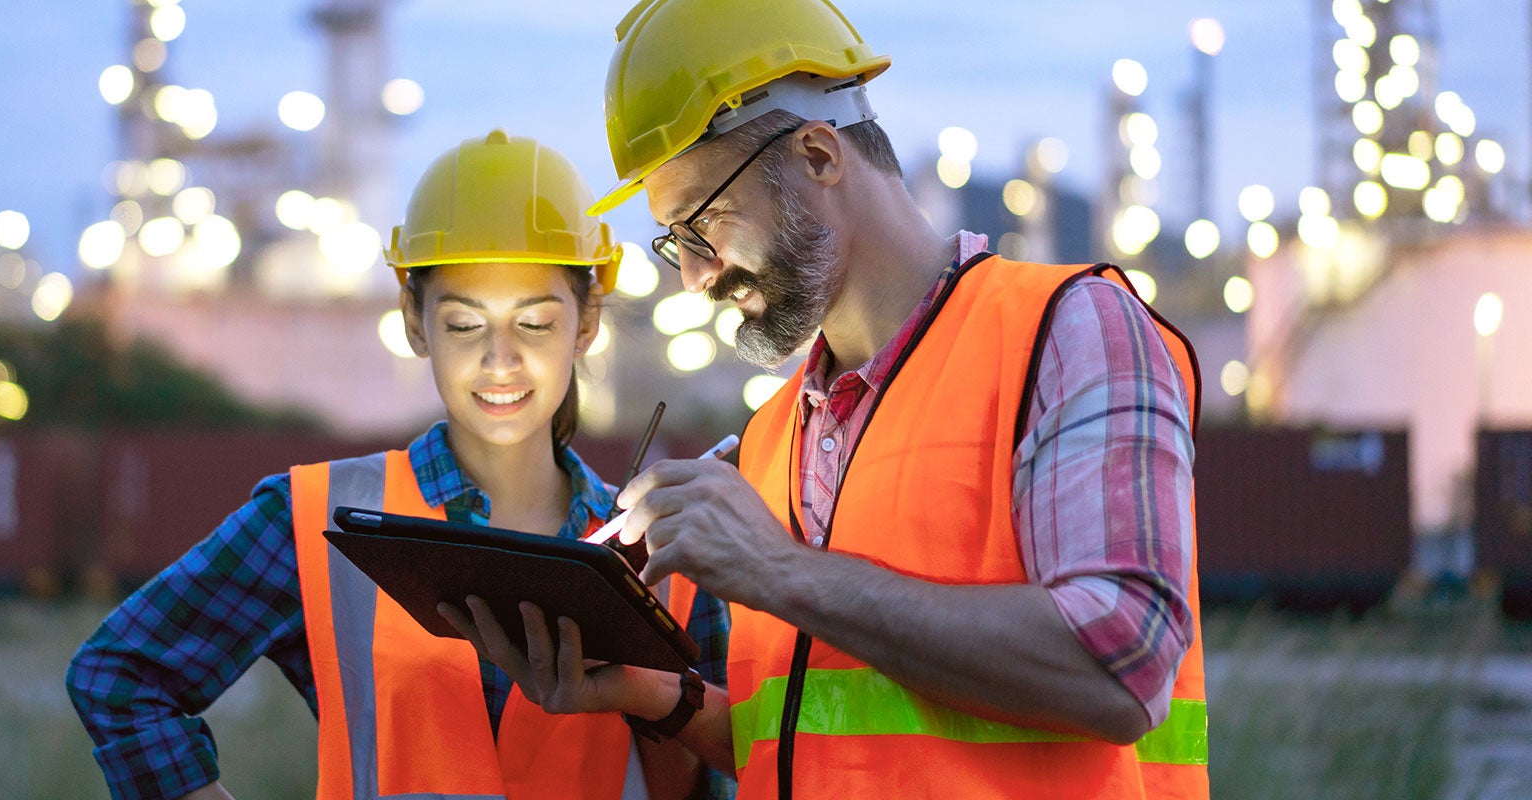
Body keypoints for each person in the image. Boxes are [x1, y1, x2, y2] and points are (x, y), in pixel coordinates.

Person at [446, 1, 1208, 797]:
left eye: (703, 225)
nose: (695, 277)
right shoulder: (776, 437)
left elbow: (1121, 666)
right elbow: (817, 738)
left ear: (817, 155)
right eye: (676, 243)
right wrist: (654, 696)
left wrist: (781, 570)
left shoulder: (1069, 332)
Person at [66, 130, 731, 800]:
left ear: (586, 321)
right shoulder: (316, 519)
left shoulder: (665, 554)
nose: (500, 360)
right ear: (415, 322)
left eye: (534, 324)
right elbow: (118, 678)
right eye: (464, 326)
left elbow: (724, 773)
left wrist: (654, 701)